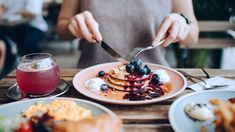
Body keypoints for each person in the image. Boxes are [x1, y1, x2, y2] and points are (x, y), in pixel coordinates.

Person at [57, 0, 199, 68]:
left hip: (155, 80)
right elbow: (62, 29)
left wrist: (182, 23)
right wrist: (71, 26)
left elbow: (193, 38)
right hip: (89, 79)